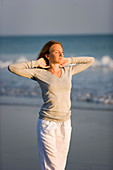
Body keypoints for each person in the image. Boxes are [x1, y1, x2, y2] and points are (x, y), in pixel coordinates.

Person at [8, 40, 95, 170]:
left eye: (62, 52)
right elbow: (12, 68)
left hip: (65, 123)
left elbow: (90, 60)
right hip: (47, 124)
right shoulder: (39, 73)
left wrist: (69, 60)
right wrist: (36, 63)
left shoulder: (68, 71)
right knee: (52, 165)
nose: (61, 54)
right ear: (48, 56)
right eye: (56, 52)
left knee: (60, 164)